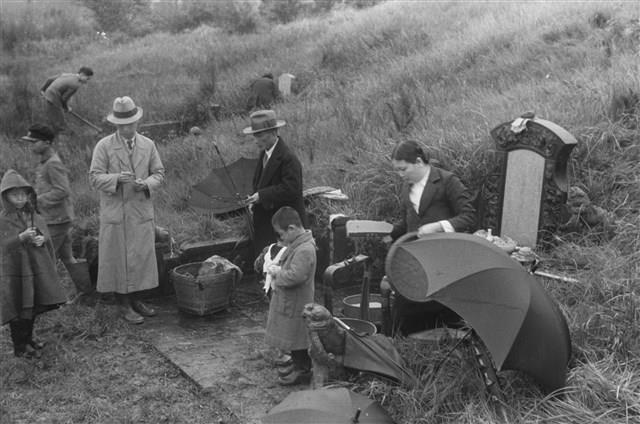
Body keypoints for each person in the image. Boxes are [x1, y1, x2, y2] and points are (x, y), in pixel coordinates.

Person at [381, 140, 477, 335]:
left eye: (403, 169)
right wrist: (388, 231)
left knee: (446, 315)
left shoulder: (448, 181)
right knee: (405, 315)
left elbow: (469, 216)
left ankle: (451, 353)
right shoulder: (406, 188)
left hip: (444, 262)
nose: (400, 175)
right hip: (415, 263)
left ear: (418, 161)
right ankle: (406, 354)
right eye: (397, 170)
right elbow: (409, 223)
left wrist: (439, 227)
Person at [89, 96, 165, 324]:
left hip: (140, 211)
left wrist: (148, 183)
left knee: (141, 258)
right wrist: (116, 179)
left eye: (131, 124)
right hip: (116, 213)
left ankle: (137, 299)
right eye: (123, 125)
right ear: (116, 125)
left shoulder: (148, 145)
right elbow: (93, 177)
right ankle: (123, 304)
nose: (128, 129)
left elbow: (159, 173)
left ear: (137, 122)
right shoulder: (104, 146)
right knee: (118, 260)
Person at [0, 169, 67, 358]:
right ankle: (19, 347)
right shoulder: (3, 219)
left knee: (32, 306)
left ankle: (28, 338)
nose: (20, 199)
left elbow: (43, 232)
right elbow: (3, 245)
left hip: (34, 267)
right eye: (15, 195)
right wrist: (20, 238)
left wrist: (41, 239)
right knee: (19, 306)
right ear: (6, 196)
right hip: (16, 271)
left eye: (24, 194)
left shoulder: (33, 215)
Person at [20, 124, 89, 297]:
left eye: (34, 142)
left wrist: (38, 201)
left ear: (46, 143)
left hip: (56, 220)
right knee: (67, 257)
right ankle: (86, 292)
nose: (31, 145)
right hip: (57, 218)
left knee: (45, 258)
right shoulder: (45, 161)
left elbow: (62, 190)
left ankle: (48, 299)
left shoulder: (53, 164)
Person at [264, 206, 316, 386]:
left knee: (298, 338)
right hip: (293, 301)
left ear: (292, 229)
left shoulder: (304, 250)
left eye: (281, 234)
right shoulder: (298, 244)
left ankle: (303, 371)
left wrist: (278, 273)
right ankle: (297, 365)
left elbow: (296, 276)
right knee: (293, 337)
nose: (281, 239)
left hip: (297, 302)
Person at [243, 109, 306, 257]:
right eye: (254, 136)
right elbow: (262, 184)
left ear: (273, 133)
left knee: (284, 271)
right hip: (268, 225)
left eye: (260, 135)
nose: (256, 140)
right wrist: (254, 198)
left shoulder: (288, 158)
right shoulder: (265, 154)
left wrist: (262, 195)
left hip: (285, 228)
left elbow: (292, 189)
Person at [40, 66, 94, 135]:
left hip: (49, 94)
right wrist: (66, 108)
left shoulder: (67, 75)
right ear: (82, 75)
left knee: (55, 116)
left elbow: (50, 79)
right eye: (87, 78)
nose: (87, 81)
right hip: (53, 98)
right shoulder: (75, 84)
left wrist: (43, 89)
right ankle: (64, 135)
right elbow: (64, 99)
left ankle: (58, 132)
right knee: (59, 119)